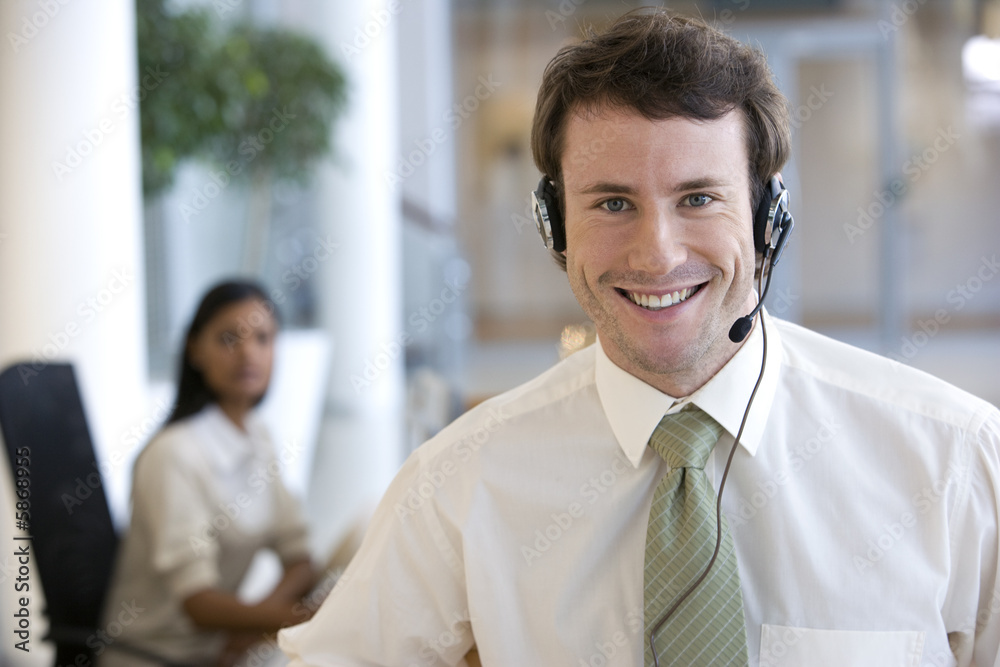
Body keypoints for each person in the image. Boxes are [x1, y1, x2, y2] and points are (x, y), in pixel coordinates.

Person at [279, 10, 1000, 667]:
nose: (657, 253)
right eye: (613, 202)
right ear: (555, 225)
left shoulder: (957, 460)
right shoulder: (459, 485)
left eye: (698, 198)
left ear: (766, 215)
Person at [100, 280, 316, 667]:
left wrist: (251, 628)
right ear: (194, 349)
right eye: (229, 338)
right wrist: (309, 619)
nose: (248, 352)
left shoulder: (258, 436)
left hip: (221, 651)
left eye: (263, 339)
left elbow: (299, 558)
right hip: (160, 656)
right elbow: (198, 605)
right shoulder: (173, 454)